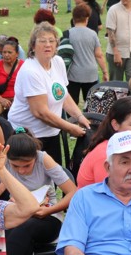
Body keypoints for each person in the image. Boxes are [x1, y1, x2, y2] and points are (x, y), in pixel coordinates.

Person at [8, 23, 90, 166]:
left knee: (53, 172)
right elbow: (41, 113)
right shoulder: (30, 71)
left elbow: (63, 95)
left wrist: (79, 116)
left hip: (51, 132)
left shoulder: (58, 62)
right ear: (33, 46)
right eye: (42, 41)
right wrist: (70, 128)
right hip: (28, 135)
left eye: (52, 41)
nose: (48, 45)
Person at [66, 4, 109, 104]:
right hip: (90, 73)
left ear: (73, 19)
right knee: (91, 103)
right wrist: (105, 71)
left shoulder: (68, 34)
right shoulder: (93, 34)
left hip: (73, 74)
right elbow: (99, 55)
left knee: (72, 103)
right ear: (87, 19)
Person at [0, 37, 23, 114]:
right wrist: (1, 100)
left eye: (9, 52)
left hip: (18, 100)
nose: (6, 55)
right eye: (4, 52)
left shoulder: (23, 66)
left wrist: (16, 100)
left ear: (17, 54)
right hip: (0, 99)